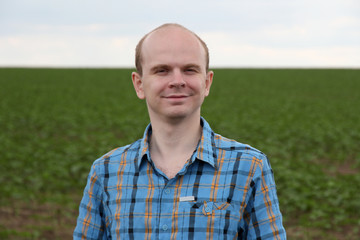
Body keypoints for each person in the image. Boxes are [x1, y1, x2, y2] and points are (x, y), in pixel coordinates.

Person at [74, 23, 286, 239]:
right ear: (139, 84)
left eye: (189, 69)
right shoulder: (106, 172)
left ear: (207, 82)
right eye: (162, 70)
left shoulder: (248, 167)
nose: (177, 81)